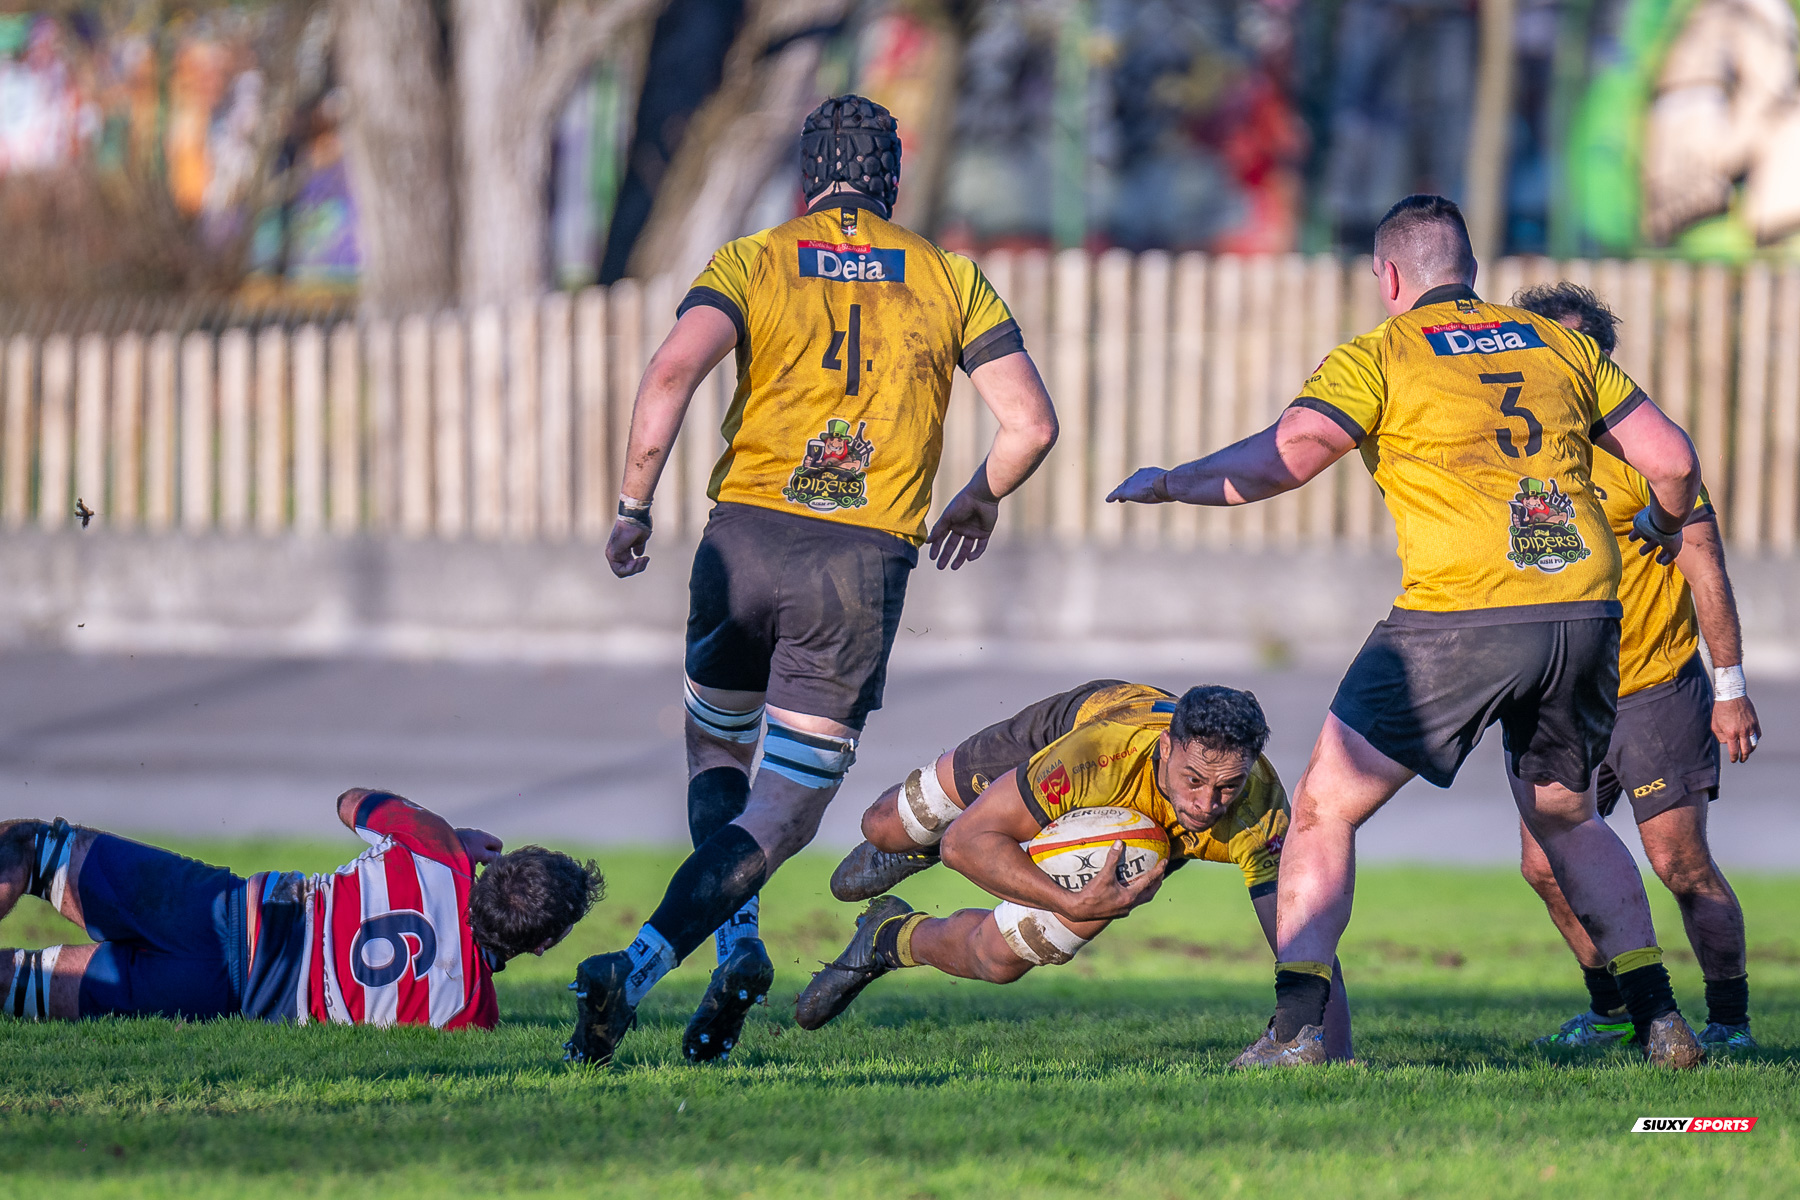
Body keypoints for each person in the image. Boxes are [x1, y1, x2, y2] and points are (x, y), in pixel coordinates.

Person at [1108, 194, 1709, 1068]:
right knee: (1569, 817)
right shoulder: (1561, 344)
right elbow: (1675, 460)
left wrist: (1171, 482)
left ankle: (1297, 1031)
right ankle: (1661, 1021)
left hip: (1463, 613)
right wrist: (1662, 522)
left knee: (1324, 806)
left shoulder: (1383, 352)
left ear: (1388, 275)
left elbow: (1284, 458)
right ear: (1471, 269)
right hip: (1583, 610)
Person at [575, 94, 1059, 1066]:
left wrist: (633, 506)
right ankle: (634, 968)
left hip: (743, 543)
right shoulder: (949, 276)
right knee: (784, 812)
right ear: (891, 179)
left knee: (718, 748)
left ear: (809, 177)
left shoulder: (755, 258)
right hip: (857, 566)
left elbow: (670, 374)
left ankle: (739, 949)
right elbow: (1031, 425)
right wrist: (977, 498)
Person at [797, 682, 1354, 1061]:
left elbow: (1304, 938)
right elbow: (966, 846)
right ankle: (919, 845)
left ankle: (886, 937)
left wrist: (1333, 1054)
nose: (1208, 804)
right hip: (1071, 733)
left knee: (999, 961)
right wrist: (1065, 900)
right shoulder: (1096, 754)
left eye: (1227, 785)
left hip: (1138, 844)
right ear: (1166, 750)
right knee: (883, 828)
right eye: (1194, 780)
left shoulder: (1260, 810)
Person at [1510, 282, 1761, 1053]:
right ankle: (1615, 1009)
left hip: (1652, 689)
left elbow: (1705, 569)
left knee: (1678, 863)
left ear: (1601, 361)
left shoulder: (1649, 455)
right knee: (1545, 867)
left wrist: (1730, 689)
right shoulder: (1513, 454)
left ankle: (1730, 1024)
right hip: (1557, 698)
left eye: (1577, 350)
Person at [1, 791, 602, 1028]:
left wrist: (452, 835)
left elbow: (350, 803)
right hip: (216, 998)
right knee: (19, 984)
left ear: (498, 867)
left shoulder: (438, 850)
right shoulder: (471, 1013)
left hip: (217, 910)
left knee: (30, 847)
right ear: (541, 944)